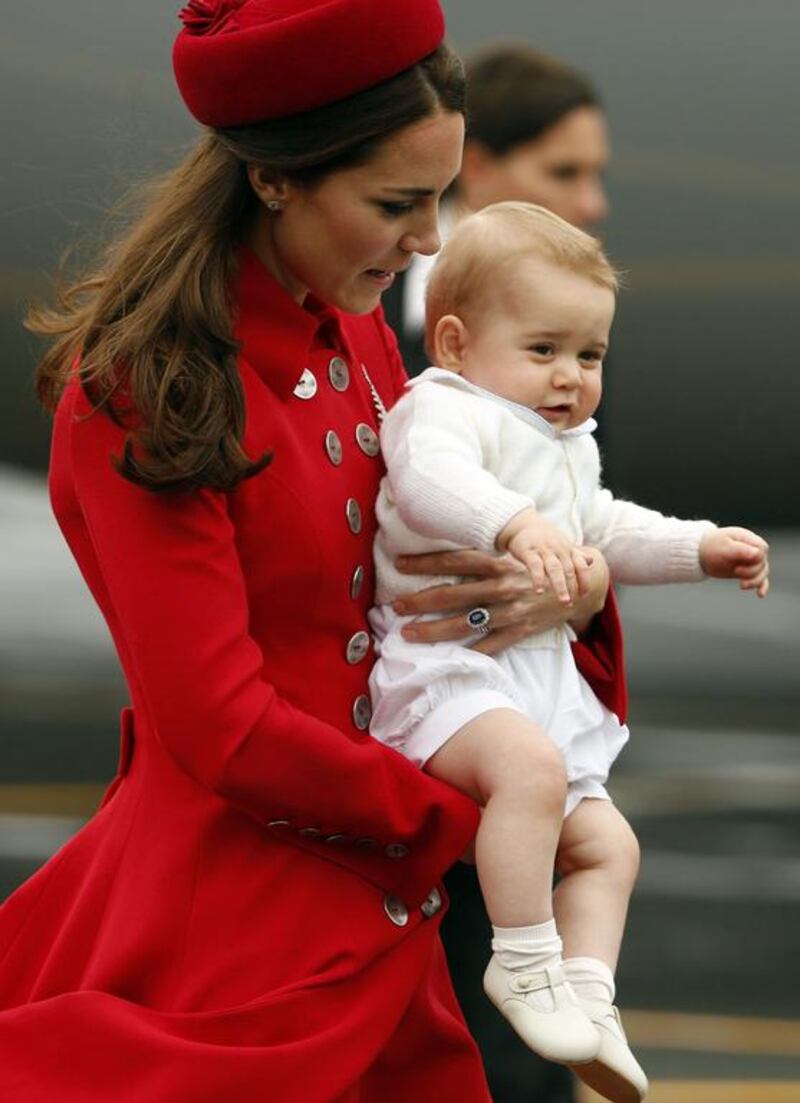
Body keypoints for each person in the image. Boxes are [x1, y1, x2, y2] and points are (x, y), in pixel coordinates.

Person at [0, 3, 624, 1101]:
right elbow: (221, 725)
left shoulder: (359, 336)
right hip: (230, 945)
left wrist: (559, 592)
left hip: (381, 924)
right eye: (395, 203)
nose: (429, 238)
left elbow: (452, 551)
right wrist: (459, 815)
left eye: (437, 198)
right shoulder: (149, 385)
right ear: (276, 178)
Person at [369, 201, 770, 1103]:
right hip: (442, 679)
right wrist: (513, 523)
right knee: (534, 771)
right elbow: (429, 479)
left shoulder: (563, 446)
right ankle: (523, 960)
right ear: (457, 343)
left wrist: (700, 547)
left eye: (589, 356)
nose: (570, 378)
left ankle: (587, 993)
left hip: (520, 684)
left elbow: (606, 525)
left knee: (607, 844)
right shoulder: (441, 407)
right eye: (544, 349)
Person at [382, 43, 609, 379]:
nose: (594, 204)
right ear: (476, 165)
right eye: (563, 173)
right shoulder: (368, 276)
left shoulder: (578, 309)